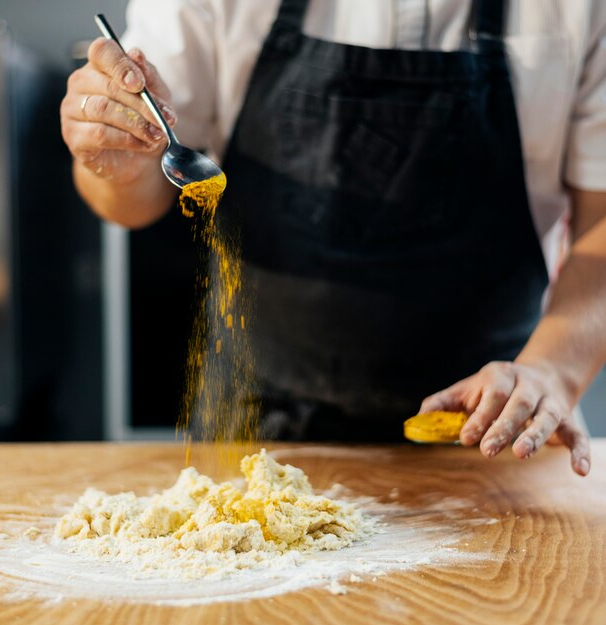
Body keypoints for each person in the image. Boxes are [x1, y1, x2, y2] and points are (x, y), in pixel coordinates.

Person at [60, 0, 606, 475]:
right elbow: (131, 200)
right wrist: (116, 161)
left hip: (491, 427)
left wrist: (550, 370)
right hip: (255, 427)